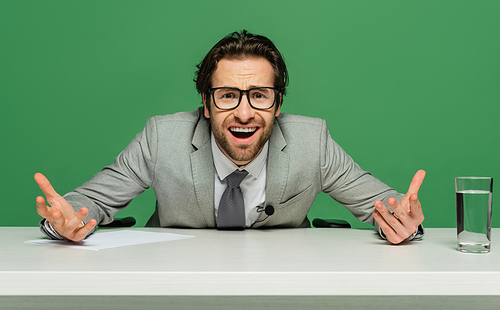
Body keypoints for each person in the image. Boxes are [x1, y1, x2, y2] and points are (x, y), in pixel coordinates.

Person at [35, 30, 425, 244]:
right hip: (175, 290)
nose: (243, 112)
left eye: (259, 95)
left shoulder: (313, 141)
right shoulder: (162, 138)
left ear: (277, 104)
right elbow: (86, 202)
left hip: (282, 290)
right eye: (227, 96)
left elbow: (388, 207)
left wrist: (406, 224)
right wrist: (64, 222)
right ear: (206, 105)